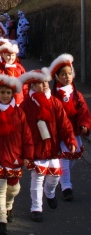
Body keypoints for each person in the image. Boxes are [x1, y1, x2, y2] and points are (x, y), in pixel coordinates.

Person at [19, 68, 76, 223]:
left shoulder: (54, 102)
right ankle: (36, 208)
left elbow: (64, 124)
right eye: (39, 83)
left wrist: (70, 139)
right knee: (37, 177)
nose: (44, 85)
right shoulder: (26, 105)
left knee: (55, 176)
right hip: (35, 148)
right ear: (32, 86)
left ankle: (49, 193)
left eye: (45, 82)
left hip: (52, 147)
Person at [0, 74, 33, 235]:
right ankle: (1, 219)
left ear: (12, 94)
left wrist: (28, 156)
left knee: (14, 188)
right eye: (2, 92)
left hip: (15, 157)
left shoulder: (19, 113)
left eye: (8, 93)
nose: (5, 96)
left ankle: (9, 205)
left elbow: (27, 136)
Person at [49, 53, 91, 201]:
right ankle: (66, 186)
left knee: (72, 159)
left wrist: (84, 125)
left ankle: (63, 179)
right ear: (57, 77)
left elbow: (83, 111)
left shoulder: (77, 95)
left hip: (74, 132)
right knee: (64, 160)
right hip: (61, 134)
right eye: (63, 74)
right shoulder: (54, 95)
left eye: (69, 74)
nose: (67, 77)